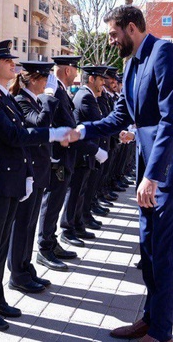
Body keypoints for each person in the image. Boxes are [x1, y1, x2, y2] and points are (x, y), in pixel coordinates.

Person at [76, 5, 173, 342]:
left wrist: (153, 175)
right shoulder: (131, 64)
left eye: (114, 34)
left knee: (163, 252)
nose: (111, 41)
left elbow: (170, 119)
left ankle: (160, 332)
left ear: (131, 28)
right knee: (147, 249)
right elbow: (119, 117)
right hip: (149, 170)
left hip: (171, 171)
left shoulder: (166, 54)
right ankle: (149, 319)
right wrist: (79, 130)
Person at [0, 40, 77, 331]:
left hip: (13, 180)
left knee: (1, 243)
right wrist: (52, 133)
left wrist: (30, 171)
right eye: (6, 61)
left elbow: (23, 133)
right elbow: (13, 136)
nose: (12, 64)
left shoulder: (4, 97)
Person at [7, 61, 58, 294]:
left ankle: (26, 267)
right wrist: (48, 98)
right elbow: (41, 124)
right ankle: (17, 273)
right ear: (34, 80)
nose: (48, 82)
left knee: (30, 224)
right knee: (22, 226)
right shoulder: (21, 101)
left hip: (39, 171)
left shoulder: (33, 100)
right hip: (29, 173)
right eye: (45, 78)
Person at [35, 55, 82, 272]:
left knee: (57, 200)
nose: (76, 73)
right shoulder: (56, 92)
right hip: (58, 158)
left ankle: (51, 242)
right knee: (52, 201)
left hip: (65, 156)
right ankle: (44, 248)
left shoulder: (61, 91)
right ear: (66, 70)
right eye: (75, 69)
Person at [61, 66, 110, 246]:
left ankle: (78, 223)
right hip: (82, 153)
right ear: (91, 79)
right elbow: (96, 124)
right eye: (100, 79)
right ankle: (68, 228)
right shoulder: (86, 97)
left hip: (88, 152)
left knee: (81, 192)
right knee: (75, 193)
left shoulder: (91, 96)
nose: (103, 82)